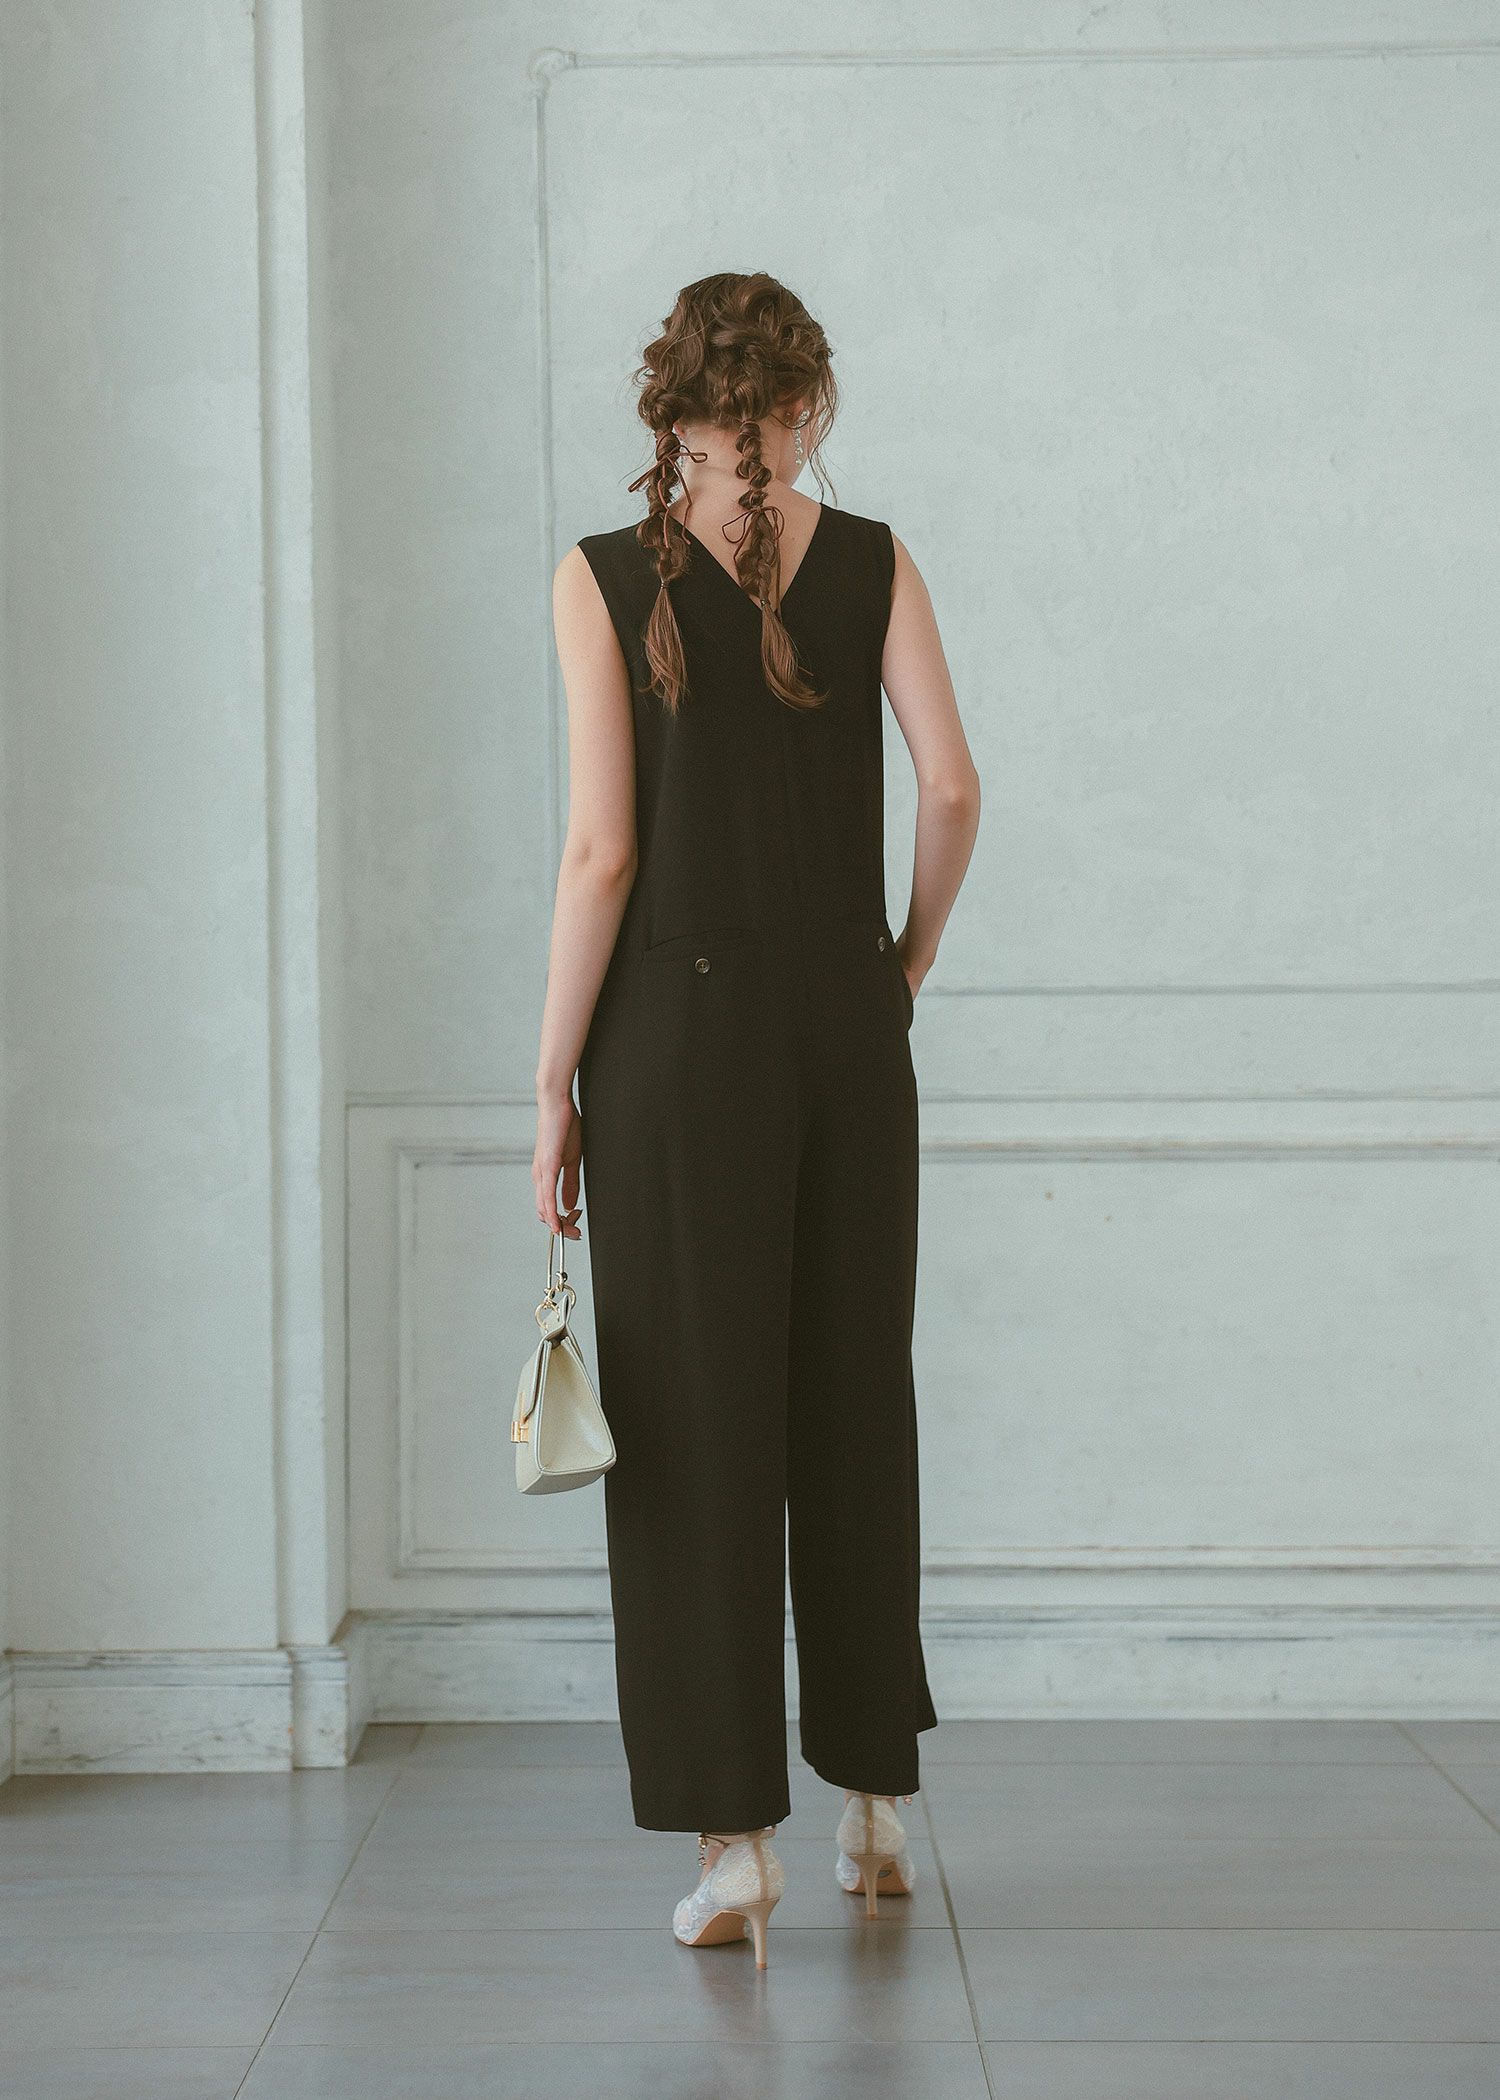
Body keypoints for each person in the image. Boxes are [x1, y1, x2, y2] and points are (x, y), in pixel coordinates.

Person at [533, 272, 980, 1968]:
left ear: (671, 413)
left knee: (692, 1429)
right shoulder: (873, 559)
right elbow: (952, 786)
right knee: (854, 1399)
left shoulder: (602, 575)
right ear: (804, 407)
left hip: (677, 1037)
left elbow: (603, 854)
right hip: (848, 1027)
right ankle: (875, 1807)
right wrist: (903, 959)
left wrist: (551, 1083)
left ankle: (734, 1851)